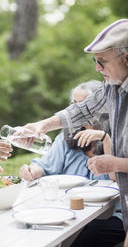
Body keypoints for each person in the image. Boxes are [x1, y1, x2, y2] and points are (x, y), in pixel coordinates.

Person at [23, 19, 128, 233]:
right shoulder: (112, 87)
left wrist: (115, 163)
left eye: (102, 61)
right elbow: (82, 109)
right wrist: (42, 125)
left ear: (127, 58)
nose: (97, 68)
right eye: (95, 61)